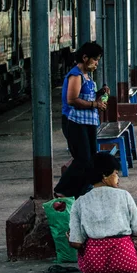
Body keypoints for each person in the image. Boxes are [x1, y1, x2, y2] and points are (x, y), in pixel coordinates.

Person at [69, 153, 137, 273]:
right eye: (116, 173)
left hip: (94, 266)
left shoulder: (79, 202)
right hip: (125, 260)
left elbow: (76, 242)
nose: (118, 178)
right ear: (104, 176)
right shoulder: (124, 195)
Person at [54, 42, 108, 199]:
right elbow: (72, 99)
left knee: (90, 158)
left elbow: (87, 95)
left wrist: (100, 93)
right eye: (95, 59)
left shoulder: (87, 76)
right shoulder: (76, 75)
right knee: (82, 159)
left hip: (88, 122)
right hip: (75, 123)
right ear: (85, 58)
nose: (97, 63)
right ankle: (61, 190)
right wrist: (95, 104)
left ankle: (81, 191)